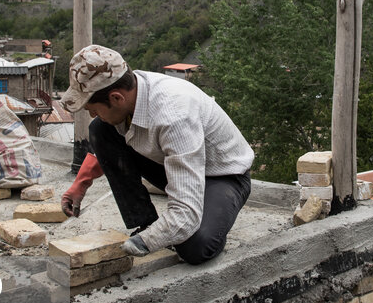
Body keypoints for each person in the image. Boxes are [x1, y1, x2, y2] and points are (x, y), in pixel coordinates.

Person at [59, 45, 254, 264]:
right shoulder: (131, 88)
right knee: (100, 128)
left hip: (223, 176)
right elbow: (111, 145)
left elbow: (185, 215)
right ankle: (145, 221)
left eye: (91, 107)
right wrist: (81, 184)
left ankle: (212, 222)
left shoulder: (174, 116)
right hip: (177, 164)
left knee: (195, 246)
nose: (92, 113)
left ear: (116, 98)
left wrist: (144, 243)